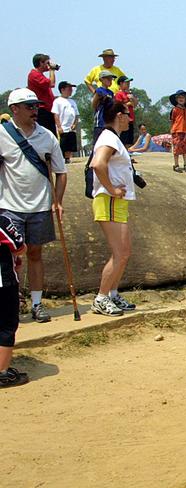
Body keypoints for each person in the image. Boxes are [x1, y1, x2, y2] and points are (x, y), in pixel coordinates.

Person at [0, 88, 67, 323]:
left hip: (39, 206)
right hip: (10, 207)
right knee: (10, 258)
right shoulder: (2, 134)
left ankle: (37, 304)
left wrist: (57, 201)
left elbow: (61, 172)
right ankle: (13, 300)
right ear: (14, 109)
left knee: (36, 254)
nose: (34, 110)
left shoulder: (47, 136)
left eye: (36, 106)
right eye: (29, 106)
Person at [89, 102, 137, 316]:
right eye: (128, 114)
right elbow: (98, 164)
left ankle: (112, 293)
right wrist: (111, 189)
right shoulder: (108, 138)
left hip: (118, 202)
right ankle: (100, 298)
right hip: (108, 200)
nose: (130, 119)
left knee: (124, 252)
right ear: (119, 115)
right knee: (119, 252)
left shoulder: (113, 138)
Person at [0, 214, 29, 388]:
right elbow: (19, 248)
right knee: (6, 325)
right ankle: (2, 372)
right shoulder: (2, 221)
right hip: (3, 282)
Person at [27, 53, 58, 135]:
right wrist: (51, 70)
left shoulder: (40, 75)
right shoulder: (34, 75)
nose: (48, 65)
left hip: (47, 110)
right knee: (46, 135)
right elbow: (52, 83)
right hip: (42, 110)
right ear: (41, 63)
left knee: (51, 135)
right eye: (47, 63)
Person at [51, 81, 79, 164]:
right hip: (63, 127)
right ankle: (61, 159)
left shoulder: (72, 101)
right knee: (63, 143)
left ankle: (67, 158)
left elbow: (76, 114)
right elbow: (56, 114)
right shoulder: (58, 101)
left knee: (71, 143)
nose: (71, 90)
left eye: (71, 89)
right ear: (62, 89)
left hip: (71, 127)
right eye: (69, 88)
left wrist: (75, 123)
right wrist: (59, 126)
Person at [169, 89, 186, 173]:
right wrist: (172, 131)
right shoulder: (174, 110)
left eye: (183, 97)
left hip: (185, 131)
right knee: (177, 148)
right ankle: (176, 164)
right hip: (176, 131)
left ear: (185, 99)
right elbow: (172, 120)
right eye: (179, 97)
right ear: (176, 99)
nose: (181, 99)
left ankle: (185, 164)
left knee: (185, 149)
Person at [91, 71, 116, 144]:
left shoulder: (111, 93)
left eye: (111, 79)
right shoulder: (99, 91)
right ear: (101, 79)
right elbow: (94, 105)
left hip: (109, 122)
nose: (110, 80)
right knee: (98, 144)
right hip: (100, 123)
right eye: (108, 78)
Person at [114, 76, 138, 147]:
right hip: (123, 120)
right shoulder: (119, 94)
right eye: (126, 82)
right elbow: (119, 106)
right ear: (121, 83)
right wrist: (129, 103)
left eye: (129, 82)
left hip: (130, 119)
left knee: (129, 139)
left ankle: (127, 154)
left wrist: (133, 98)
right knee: (123, 138)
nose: (128, 84)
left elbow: (135, 104)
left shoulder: (129, 94)